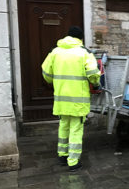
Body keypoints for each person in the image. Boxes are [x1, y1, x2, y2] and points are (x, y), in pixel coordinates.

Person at [41, 26, 100, 171]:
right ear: (80, 39)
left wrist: (52, 81)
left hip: (61, 98)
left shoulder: (55, 51)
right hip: (78, 100)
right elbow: (93, 74)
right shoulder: (84, 53)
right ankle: (73, 161)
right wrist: (96, 84)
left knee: (63, 125)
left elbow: (46, 72)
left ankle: (62, 155)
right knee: (75, 129)